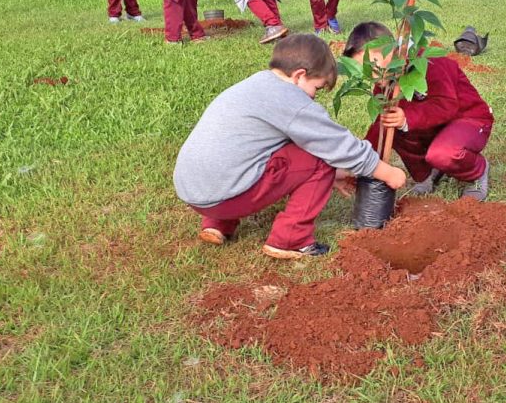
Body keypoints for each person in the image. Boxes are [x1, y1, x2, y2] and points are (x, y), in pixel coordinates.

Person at [174, 34, 407, 259]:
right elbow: (337, 144)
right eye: (317, 88)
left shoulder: (255, 84)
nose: (314, 97)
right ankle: (291, 240)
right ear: (299, 75)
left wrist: (334, 175)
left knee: (241, 155)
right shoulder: (290, 100)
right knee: (320, 158)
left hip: (193, 192)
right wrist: (386, 172)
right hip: (225, 197)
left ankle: (217, 224)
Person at [345, 22, 494, 202]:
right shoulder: (384, 85)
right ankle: (428, 174)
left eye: (372, 63)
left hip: (467, 119)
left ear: (390, 50)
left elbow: (447, 105)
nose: (371, 74)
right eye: (362, 68)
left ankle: (477, 173)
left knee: (443, 153)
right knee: (392, 126)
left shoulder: (429, 62)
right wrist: (362, 162)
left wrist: (406, 118)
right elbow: (380, 128)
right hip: (433, 126)